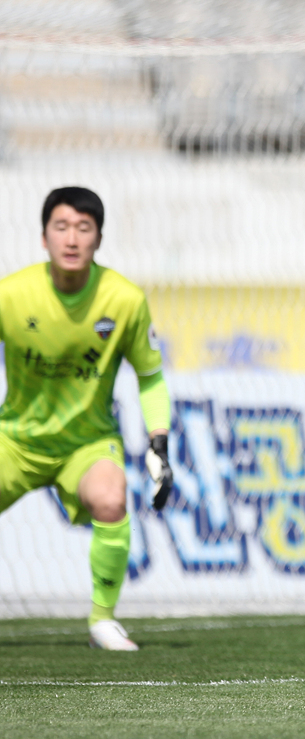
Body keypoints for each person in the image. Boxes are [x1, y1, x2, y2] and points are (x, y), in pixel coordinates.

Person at [0, 187, 174, 650]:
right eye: (61, 227)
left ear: (99, 237)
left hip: (88, 443)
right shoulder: (11, 295)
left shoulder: (124, 299)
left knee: (112, 499)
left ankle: (103, 620)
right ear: (44, 237)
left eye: (84, 228)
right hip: (15, 440)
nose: (72, 239)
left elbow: (151, 378)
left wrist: (159, 443)